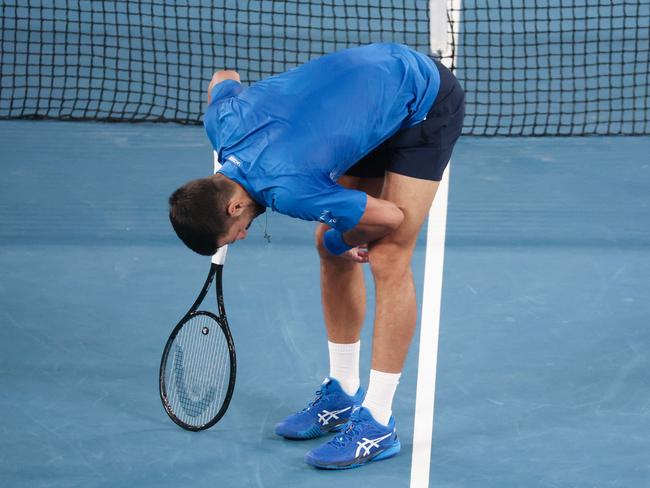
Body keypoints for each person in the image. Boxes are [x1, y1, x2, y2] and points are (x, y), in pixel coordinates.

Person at [169, 42, 464, 469]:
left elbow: (392, 217)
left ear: (233, 207)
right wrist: (340, 238)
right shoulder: (222, 121)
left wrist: (345, 239)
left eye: (234, 235)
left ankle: (378, 422)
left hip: (421, 98)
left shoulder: (288, 190)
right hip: (367, 87)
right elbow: (224, 77)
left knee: (387, 253)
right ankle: (342, 391)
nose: (243, 236)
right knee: (331, 243)